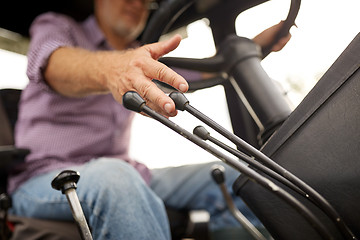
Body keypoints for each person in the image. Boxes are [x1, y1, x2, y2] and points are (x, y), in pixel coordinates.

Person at [8, 0, 291, 239]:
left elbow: (196, 74)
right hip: (46, 177)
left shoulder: (138, 54)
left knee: (245, 178)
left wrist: (252, 47)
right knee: (116, 178)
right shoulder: (58, 27)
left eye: (147, 0)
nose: (139, 3)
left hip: (127, 171)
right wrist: (113, 68)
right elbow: (51, 64)